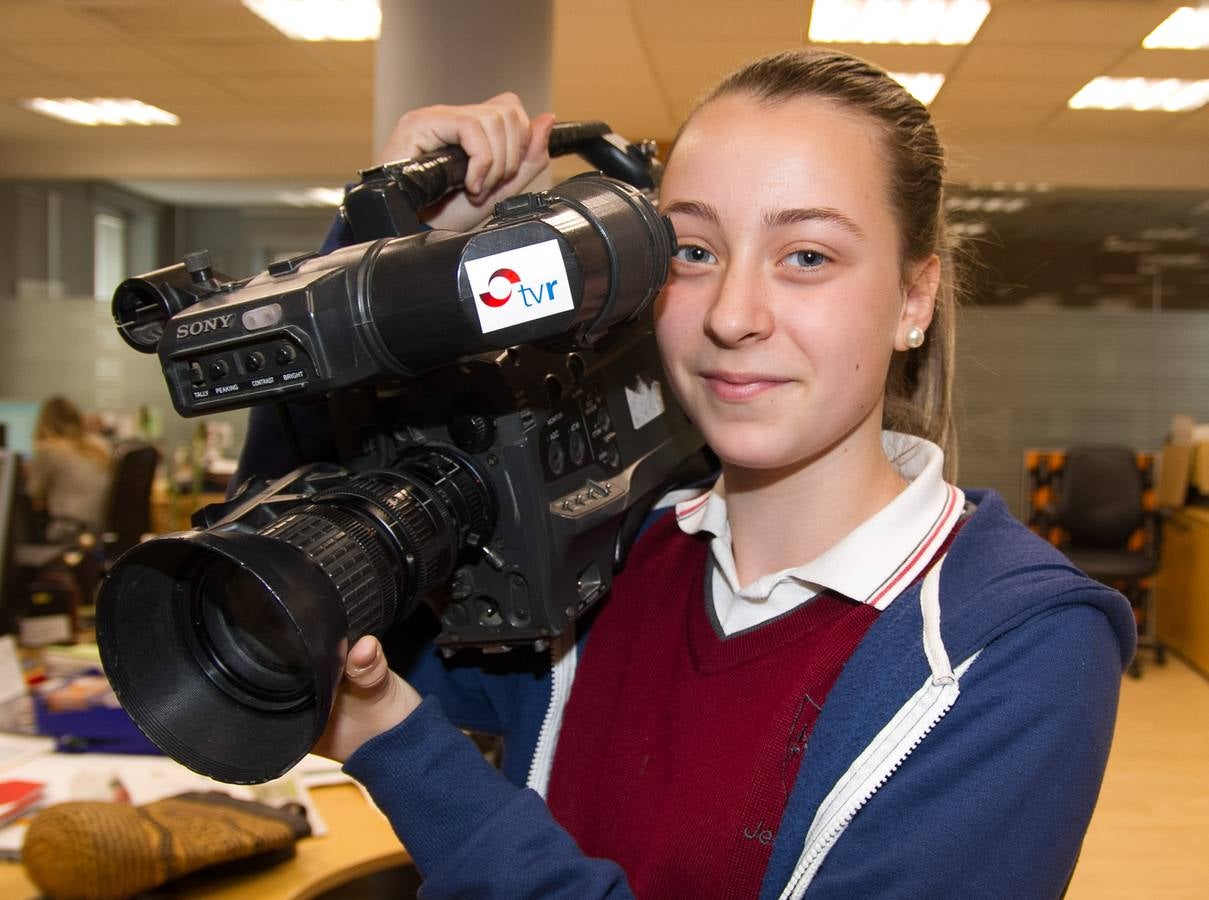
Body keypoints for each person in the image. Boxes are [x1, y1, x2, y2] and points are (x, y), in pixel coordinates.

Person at [304, 50, 1135, 898]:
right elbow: (296, 601)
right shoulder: (597, 555)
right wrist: (392, 261)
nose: (732, 317)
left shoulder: (1014, 638)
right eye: (693, 251)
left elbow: (399, 736)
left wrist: (400, 748)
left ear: (913, 298)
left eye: (806, 257)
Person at [24, 395, 111, 542]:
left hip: (68, 532)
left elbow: (34, 493)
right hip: (99, 531)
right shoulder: (100, 446)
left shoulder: (49, 449)